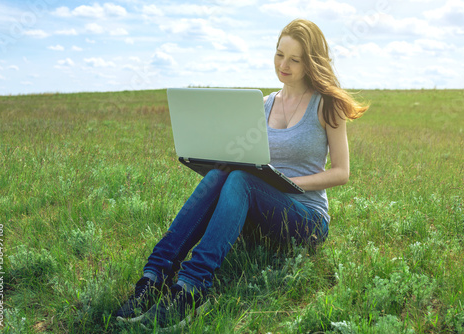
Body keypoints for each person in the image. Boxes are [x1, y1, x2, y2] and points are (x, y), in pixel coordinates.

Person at [115, 18, 368, 330]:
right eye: (279, 55)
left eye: (294, 59)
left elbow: (342, 173)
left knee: (242, 179)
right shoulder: (261, 105)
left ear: (311, 61)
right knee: (222, 173)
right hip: (260, 210)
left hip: (306, 219)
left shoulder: (327, 105)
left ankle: (192, 288)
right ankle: (154, 277)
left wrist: (288, 184)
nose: (283, 65)